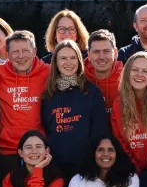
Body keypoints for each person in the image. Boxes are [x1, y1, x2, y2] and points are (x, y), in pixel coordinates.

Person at [40, 40, 111, 175]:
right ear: (55, 62)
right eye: (63, 58)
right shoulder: (48, 95)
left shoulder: (91, 92)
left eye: (73, 58)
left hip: (85, 166)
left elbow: (99, 130)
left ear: (79, 61)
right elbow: (45, 128)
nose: (68, 62)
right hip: (55, 167)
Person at [0, 30, 50, 179]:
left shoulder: (48, 73)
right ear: (7, 54)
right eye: (15, 52)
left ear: (34, 51)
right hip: (6, 151)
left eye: (25, 51)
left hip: (39, 152)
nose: (21, 56)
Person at [84, 29, 124, 116]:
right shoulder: (80, 78)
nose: (101, 57)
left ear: (115, 53)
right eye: (96, 52)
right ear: (89, 55)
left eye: (106, 51)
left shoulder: (127, 77)